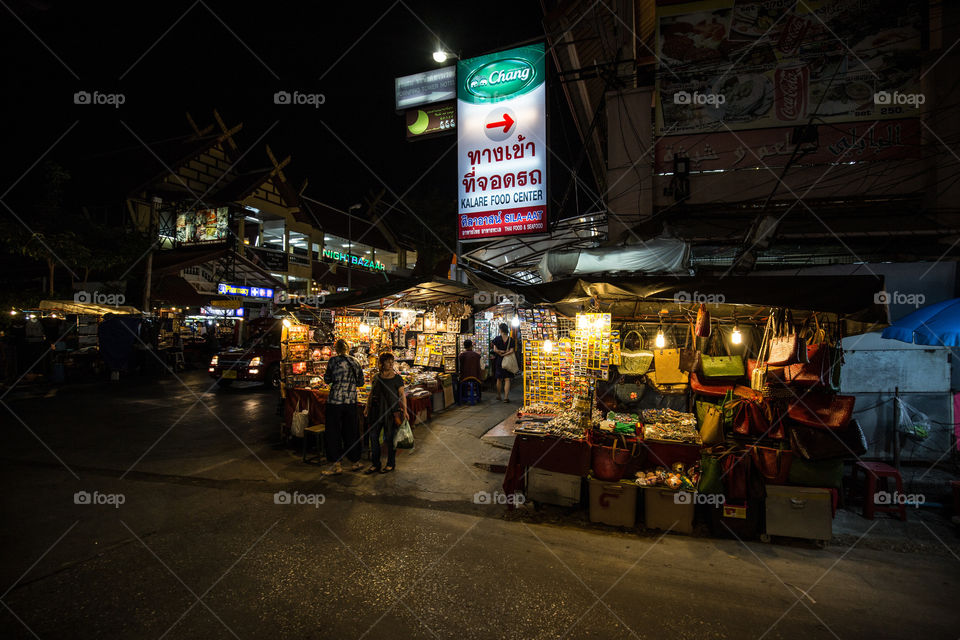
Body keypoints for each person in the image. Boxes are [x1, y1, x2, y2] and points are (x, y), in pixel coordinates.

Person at [322, 339, 365, 475]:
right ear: (348, 348)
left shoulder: (333, 361)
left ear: (336, 349)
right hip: (351, 401)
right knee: (351, 431)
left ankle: (337, 465)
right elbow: (361, 382)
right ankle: (355, 462)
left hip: (335, 401)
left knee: (333, 432)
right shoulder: (355, 362)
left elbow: (327, 379)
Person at [363, 352, 408, 474]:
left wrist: (406, 410)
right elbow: (372, 394)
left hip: (390, 413)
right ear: (382, 363)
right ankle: (375, 464)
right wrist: (367, 408)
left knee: (389, 439)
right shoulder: (377, 377)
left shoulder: (397, 378)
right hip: (376, 412)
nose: (391, 363)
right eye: (388, 361)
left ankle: (390, 463)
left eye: (392, 361)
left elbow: (402, 395)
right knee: (374, 438)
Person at [491, 323, 516, 403]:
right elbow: (512, 351)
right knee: (507, 379)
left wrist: (500, 353)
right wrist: (505, 353)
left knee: (499, 379)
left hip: (499, 360)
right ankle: (506, 397)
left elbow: (495, 350)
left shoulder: (497, 339)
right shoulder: (510, 339)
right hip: (507, 360)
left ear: (500, 330)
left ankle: (499, 395)